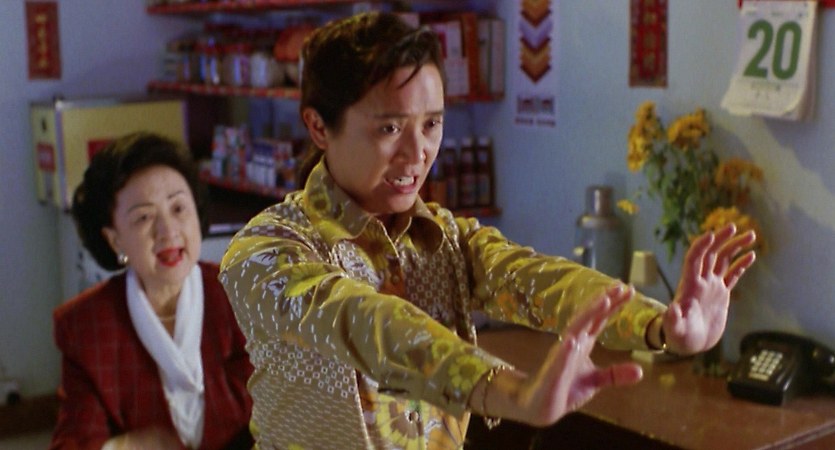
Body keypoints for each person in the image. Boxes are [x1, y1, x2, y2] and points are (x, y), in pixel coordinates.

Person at [218, 11, 757, 449]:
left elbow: (538, 280)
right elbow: (369, 324)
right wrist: (512, 392)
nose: (418, 152)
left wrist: (661, 326)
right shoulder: (265, 253)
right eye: (389, 128)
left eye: (432, 124)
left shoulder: (445, 239)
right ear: (318, 126)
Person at [51, 132, 253, 450]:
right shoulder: (85, 326)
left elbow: (291, 416)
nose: (167, 231)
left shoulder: (246, 295)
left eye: (178, 208)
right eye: (144, 217)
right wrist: (125, 447)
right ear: (115, 240)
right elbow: (74, 443)